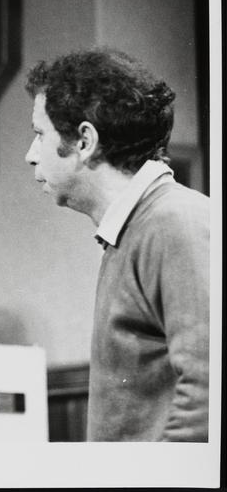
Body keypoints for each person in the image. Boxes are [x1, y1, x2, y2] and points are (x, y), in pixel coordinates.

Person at [24, 48, 209, 441]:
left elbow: (209, 390)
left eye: (40, 134)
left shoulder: (174, 222)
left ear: (85, 141)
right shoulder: (133, 230)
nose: (30, 155)